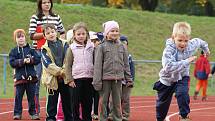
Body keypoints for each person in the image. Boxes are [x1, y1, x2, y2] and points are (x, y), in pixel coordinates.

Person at [153, 22, 210, 121]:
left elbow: (201, 42)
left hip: (182, 77)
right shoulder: (168, 50)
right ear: (173, 37)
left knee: (182, 93)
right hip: (167, 79)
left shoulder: (191, 45)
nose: (183, 43)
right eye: (179, 40)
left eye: (186, 40)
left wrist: (206, 50)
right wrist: (187, 61)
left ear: (189, 38)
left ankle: (184, 116)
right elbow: (168, 67)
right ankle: (160, 118)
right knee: (162, 105)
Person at [29, 0, 66, 114]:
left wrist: (61, 40)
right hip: (39, 52)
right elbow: (31, 35)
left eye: (49, 2)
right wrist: (47, 33)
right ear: (40, 4)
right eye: (44, 2)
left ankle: (58, 111)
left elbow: (62, 32)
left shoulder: (56, 17)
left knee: (56, 79)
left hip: (55, 52)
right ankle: (35, 111)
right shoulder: (35, 17)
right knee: (37, 81)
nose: (47, 4)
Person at [93, 20, 133, 121]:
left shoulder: (122, 46)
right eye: (112, 31)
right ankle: (103, 118)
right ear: (106, 33)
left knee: (117, 101)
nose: (115, 33)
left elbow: (126, 64)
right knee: (103, 101)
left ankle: (117, 118)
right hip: (105, 79)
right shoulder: (101, 47)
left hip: (118, 79)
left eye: (116, 31)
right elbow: (97, 66)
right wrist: (97, 81)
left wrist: (129, 78)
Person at [41, 24, 73, 121]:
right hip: (52, 80)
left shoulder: (65, 44)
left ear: (56, 32)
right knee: (52, 102)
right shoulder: (44, 49)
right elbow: (48, 65)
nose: (51, 34)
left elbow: (68, 59)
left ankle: (69, 118)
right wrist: (60, 72)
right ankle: (50, 118)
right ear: (44, 36)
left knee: (67, 101)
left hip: (65, 79)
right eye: (48, 33)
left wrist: (64, 72)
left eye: (52, 32)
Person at [65, 22, 94, 121]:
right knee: (75, 103)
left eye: (83, 34)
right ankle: (76, 118)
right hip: (76, 80)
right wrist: (69, 79)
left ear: (87, 35)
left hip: (89, 79)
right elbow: (67, 65)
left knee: (88, 102)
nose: (81, 36)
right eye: (78, 34)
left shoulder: (91, 47)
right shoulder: (71, 48)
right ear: (74, 35)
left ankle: (87, 118)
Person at [9, 29, 41, 120]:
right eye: (18, 37)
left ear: (25, 38)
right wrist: (22, 61)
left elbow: (38, 59)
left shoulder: (31, 50)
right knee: (18, 97)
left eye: (22, 36)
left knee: (32, 97)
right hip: (20, 78)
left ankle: (33, 113)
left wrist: (30, 60)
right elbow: (12, 63)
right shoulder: (13, 51)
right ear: (15, 39)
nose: (21, 39)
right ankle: (17, 113)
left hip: (31, 78)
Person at [108, 35, 135, 121]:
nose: (123, 45)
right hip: (116, 80)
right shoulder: (114, 55)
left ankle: (125, 115)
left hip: (126, 81)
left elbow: (132, 69)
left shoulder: (129, 56)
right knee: (113, 99)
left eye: (125, 43)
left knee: (125, 99)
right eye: (121, 43)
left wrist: (130, 80)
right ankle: (112, 114)